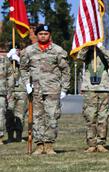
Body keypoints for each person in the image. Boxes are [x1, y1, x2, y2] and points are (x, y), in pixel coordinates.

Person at [20, 24, 70, 155]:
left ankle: (49, 145)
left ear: (50, 35)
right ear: (36, 35)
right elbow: (23, 69)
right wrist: (26, 84)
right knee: (37, 118)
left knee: (52, 117)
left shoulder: (57, 51)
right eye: (40, 34)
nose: (43, 36)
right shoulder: (29, 51)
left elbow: (65, 70)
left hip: (53, 90)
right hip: (35, 90)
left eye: (46, 34)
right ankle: (39, 145)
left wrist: (64, 88)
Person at [77, 43, 109, 153]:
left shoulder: (106, 50)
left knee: (103, 117)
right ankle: (91, 144)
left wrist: (101, 47)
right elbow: (79, 57)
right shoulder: (87, 51)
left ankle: (101, 143)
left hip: (104, 88)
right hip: (89, 88)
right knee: (90, 117)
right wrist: (87, 45)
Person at [6, 46, 27, 143]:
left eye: (19, 49)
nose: (17, 51)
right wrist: (8, 57)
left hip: (22, 91)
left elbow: (29, 68)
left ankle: (19, 136)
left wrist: (18, 60)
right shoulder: (6, 61)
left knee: (20, 115)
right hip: (9, 91)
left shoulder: (24, 60)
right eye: (15, 50)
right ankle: (10, 136)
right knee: (9, 114)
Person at [0, 50, 12, 143]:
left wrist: (9, 90)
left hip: (1, 91)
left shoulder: (4, 60)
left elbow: (10, 76)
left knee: (0, 115)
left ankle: (0, 136)